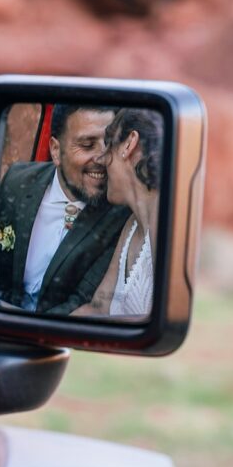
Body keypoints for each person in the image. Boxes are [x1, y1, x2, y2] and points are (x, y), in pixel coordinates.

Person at [0, 105, 132, 314]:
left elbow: (83, 301)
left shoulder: (120, 215)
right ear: (56, 151)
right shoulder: (17, 182)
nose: (102, 158)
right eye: (87, 145)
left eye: (108, 143)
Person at [73, 108, 163, 318]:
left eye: (109, 145)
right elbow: (98, 308)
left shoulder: (163, 220)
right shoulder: (132, 225)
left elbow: (155, 319)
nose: (102, 160)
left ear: (129, 144)